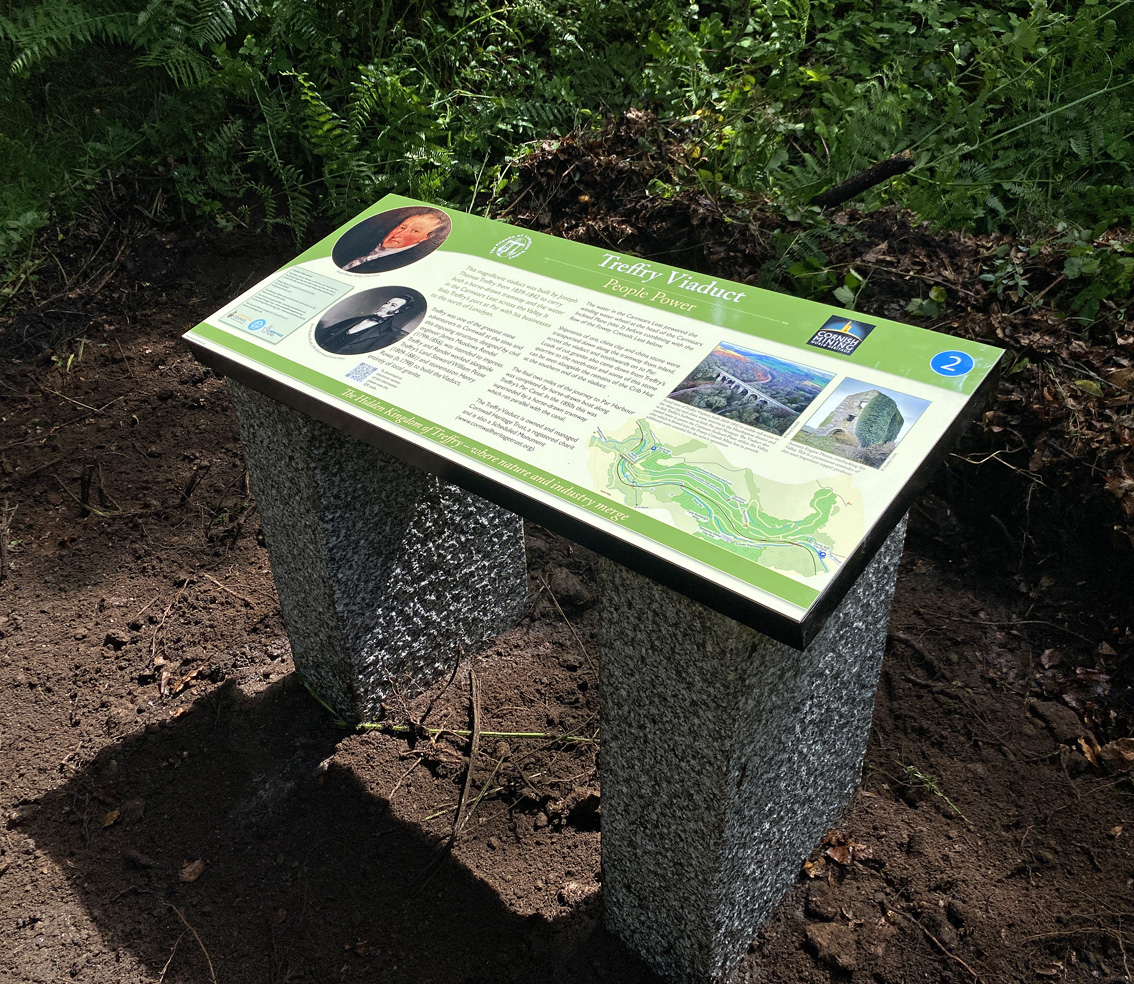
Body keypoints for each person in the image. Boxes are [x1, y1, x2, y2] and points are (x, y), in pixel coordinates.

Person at [333, 207, 451, 273]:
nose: (399, 234)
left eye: (415, 231)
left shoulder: (408, 263)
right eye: (402, 227)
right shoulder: (364, 238)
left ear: (426, 237)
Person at [314, 294, 421, 355]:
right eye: (386, 303)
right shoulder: (358, 319)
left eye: (392, 305)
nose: (385, 306)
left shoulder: (386, 334)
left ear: (397, 311)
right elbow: (324, 333)